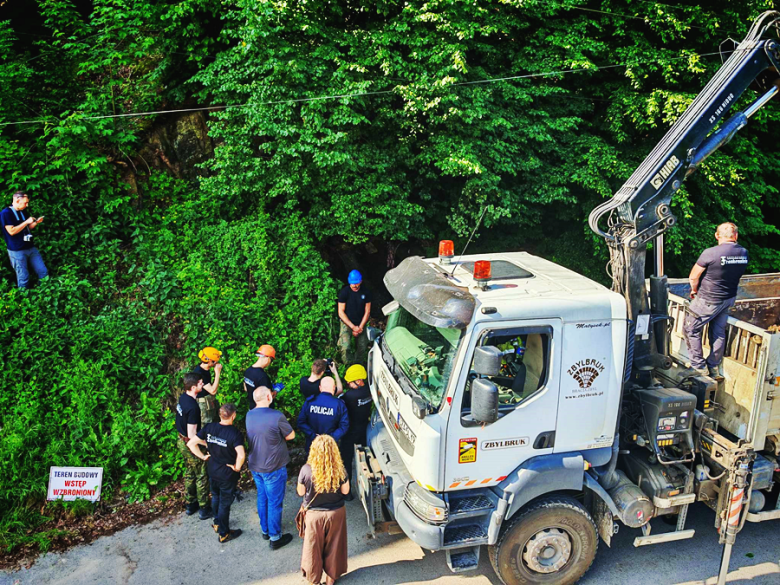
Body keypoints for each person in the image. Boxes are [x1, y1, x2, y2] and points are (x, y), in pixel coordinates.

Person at [683, 222, 749, 378]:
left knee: (690, 328)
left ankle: (698, 367)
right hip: (728, 298)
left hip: (708, 299)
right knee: (718, 332)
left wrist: (693, 290)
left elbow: (693, 276)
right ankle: (713, 367)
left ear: (717, 235)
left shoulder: (710, 253)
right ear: (736, 236)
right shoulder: (744, 252)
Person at [246, 385, 296, 550]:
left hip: (255, 465)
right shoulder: (276, 415)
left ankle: (265, 529)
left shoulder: (249, 415)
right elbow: (291, 435)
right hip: (273, 466)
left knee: (262, 497)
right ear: (269, 397)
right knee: (275, 501)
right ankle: (275, 537)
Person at [187, 403, 245, 543]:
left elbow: (191, 443)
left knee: (215, 496)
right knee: (225, 503)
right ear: (234, 416)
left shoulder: (210, 427)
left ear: (220, 415)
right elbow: (241, 455)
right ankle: (224, 533)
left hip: (212, 470)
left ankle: (217, 523)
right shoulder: (234, 433)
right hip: (226, 474)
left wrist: (202, 456)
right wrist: (237, 468)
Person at [297, 435, 350, 585]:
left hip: (314, 515)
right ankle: (330, 579)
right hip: (336, 514)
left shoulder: (306, 470)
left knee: (313, 548)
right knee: (334, 546)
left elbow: (301, 492)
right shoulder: (340, 469)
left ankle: (314, 580)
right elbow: (345, 491)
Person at [175, 372, 212, 520]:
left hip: (180, 440)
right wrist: (206, 444)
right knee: (202, 474)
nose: (202, 384)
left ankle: (190, 504)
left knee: (190, 472)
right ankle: (204, 508)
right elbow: (192, 436)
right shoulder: (193, 408)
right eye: (200, 383)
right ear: (193, 387)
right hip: (189, 443)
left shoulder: (183, 398)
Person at [1, 191, 48, 289]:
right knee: (23, 276)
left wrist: (36, 223)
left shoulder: (23, 211)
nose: (27, 205)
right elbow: (12, 231)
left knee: (42, 271)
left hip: (30, 247)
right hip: (17, 250)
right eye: (25, 203)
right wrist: (26, 221)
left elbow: (26, 228)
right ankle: (23, 299)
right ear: (18, 201)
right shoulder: (6, 213)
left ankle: (45, 293)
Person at [339, 365, 372, 501]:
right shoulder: (369, 390)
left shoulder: (349, 396)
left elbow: (339, 403)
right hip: (364, 428)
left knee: (346, 461)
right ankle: (369, 489)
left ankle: (347, 493)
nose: (348, 383)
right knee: (365, 459)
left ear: (359, 381)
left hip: (350, 431)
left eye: (350, 382)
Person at [297, 377, 349, 454]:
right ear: (334, 388)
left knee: (311, 464)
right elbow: (344, 426)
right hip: (330, 445)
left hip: (312, 444)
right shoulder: (339, 404)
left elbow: (300, 422)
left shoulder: (310, 402)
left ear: (320, 388)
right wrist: (330, 437)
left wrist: (313, 435)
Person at [337, 270, 372, 365]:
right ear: (349, 283)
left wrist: (360, 327)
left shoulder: (366, 292)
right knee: (345, 346)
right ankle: (347, 365)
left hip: (361, 322)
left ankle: (357, 365)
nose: (355, 286)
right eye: (353, 284)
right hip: (347, 322)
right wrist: (353, 327)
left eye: (357, 283)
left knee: (362, 346)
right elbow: (341, 312)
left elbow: (367, 311)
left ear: (360, 281)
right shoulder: (344, 293)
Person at [192, 347, 223, 424]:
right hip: (204, 404)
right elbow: (213, 391)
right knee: (206, 427)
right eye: (215, 361)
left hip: (210, 401)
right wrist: (217, 373)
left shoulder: (204, 368)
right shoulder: (199, 374)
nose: (216, 363)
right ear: (210, 361)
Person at [244, 345, 276, 411]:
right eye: (271, 360)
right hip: (264, 411)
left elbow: (245, 388)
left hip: (252, 408)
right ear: (268, 358)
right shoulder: (263, 376)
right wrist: (276, 391)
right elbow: (269, 397)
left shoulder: (248, 371)